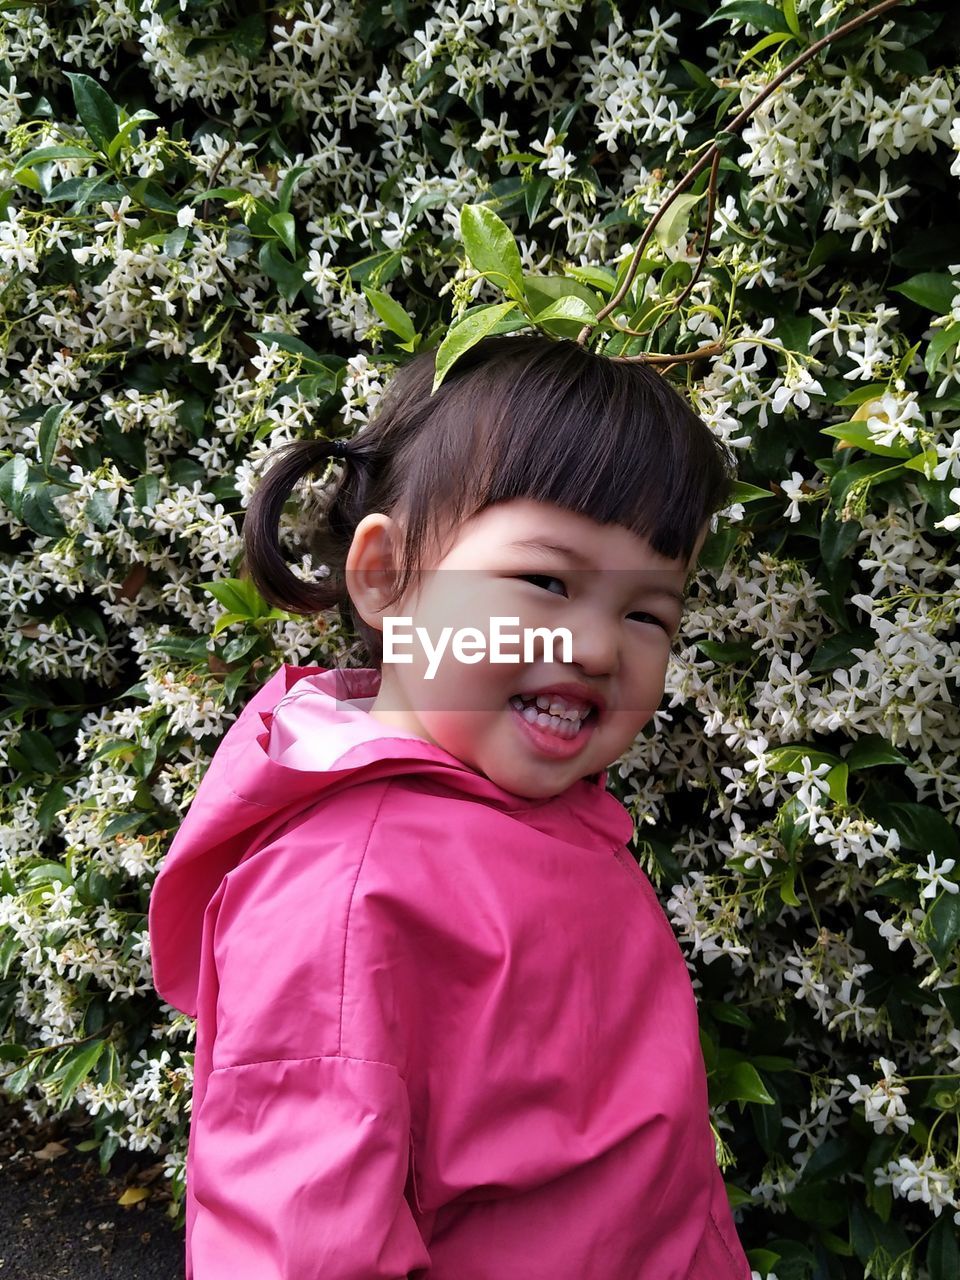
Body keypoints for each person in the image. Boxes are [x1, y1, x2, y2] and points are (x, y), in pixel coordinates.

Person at [148, 334, 752, 1279]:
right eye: (547, 581)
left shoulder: (533, 809)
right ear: (386, 576)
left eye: (648, 613)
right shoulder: (345, 895)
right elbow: (302, 1243)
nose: (599, 648)